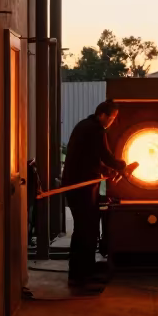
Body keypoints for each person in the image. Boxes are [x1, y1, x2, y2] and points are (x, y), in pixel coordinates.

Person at [62, 100, 137, 291]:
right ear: (103, 115)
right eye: (111, 118)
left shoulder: (84, 125)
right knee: (85, 230)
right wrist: (121, 166)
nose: (111, 122)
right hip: (81, 187)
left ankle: (84, 272)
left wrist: (105, 171)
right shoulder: (96, 130)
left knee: (87, 228)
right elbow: (106, 155)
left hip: (82, 185)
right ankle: (81, 276)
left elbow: (92, 157)